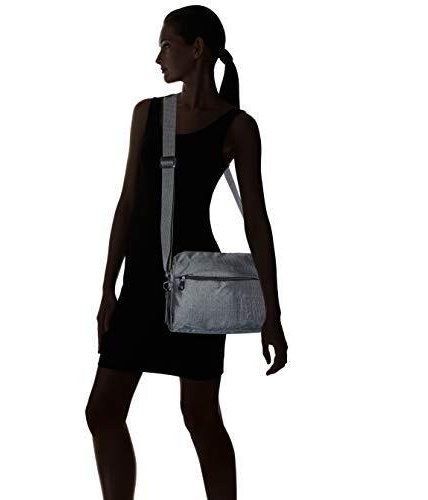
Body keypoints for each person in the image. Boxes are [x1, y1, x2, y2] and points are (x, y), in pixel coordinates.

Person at [85, 5, 288, 499]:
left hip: (197, 287)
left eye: (166, 45)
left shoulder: (238, 126)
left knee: (199, 414)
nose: (159, 58)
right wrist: (107, 288)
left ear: (197, 49)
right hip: (140, 282)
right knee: (102, 410)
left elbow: (257, 222)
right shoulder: (147, 113)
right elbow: (128, 202)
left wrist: (273, 312)